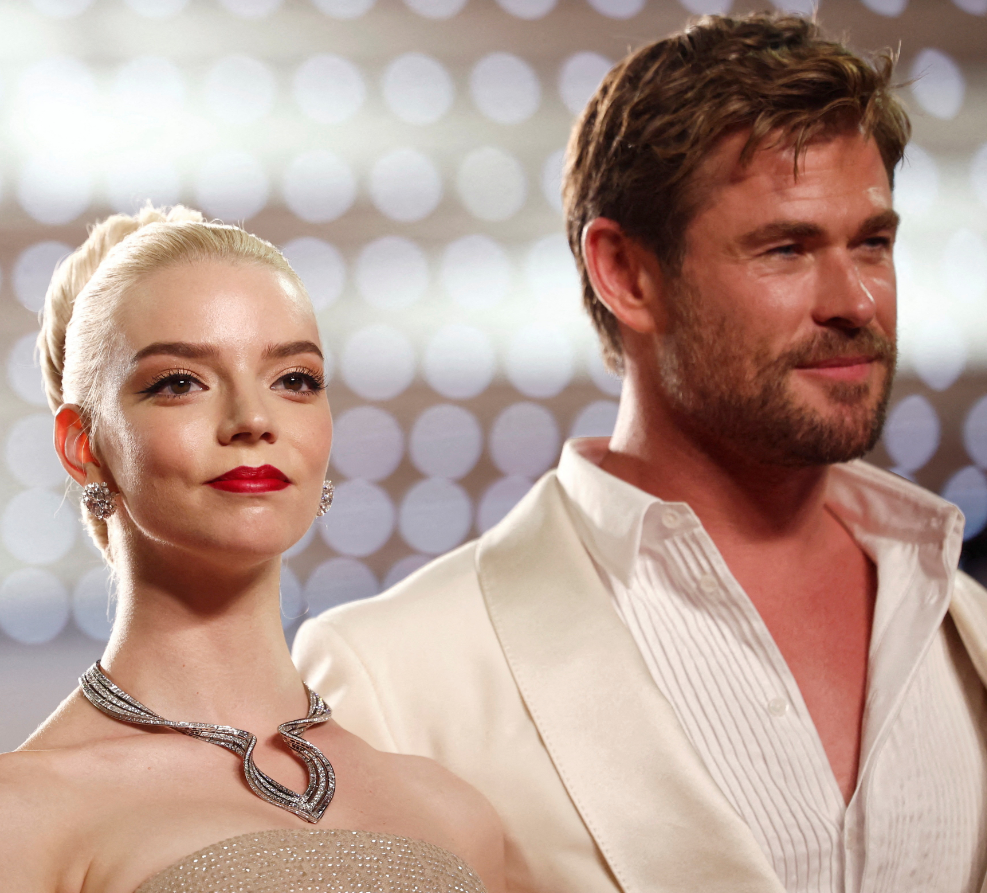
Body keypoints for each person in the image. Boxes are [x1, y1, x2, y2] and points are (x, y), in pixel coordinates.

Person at [293, 13, 987, 893]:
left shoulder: (961, 624)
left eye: (873, 243)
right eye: (785, 248)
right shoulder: (391, 679)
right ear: (625, 273)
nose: (855, 299)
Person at [0, 205, 505, 893]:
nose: (252, 419)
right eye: (180, 381)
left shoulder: (458, 820)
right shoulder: (8, 819)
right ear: (83, 446)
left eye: (294, 379)